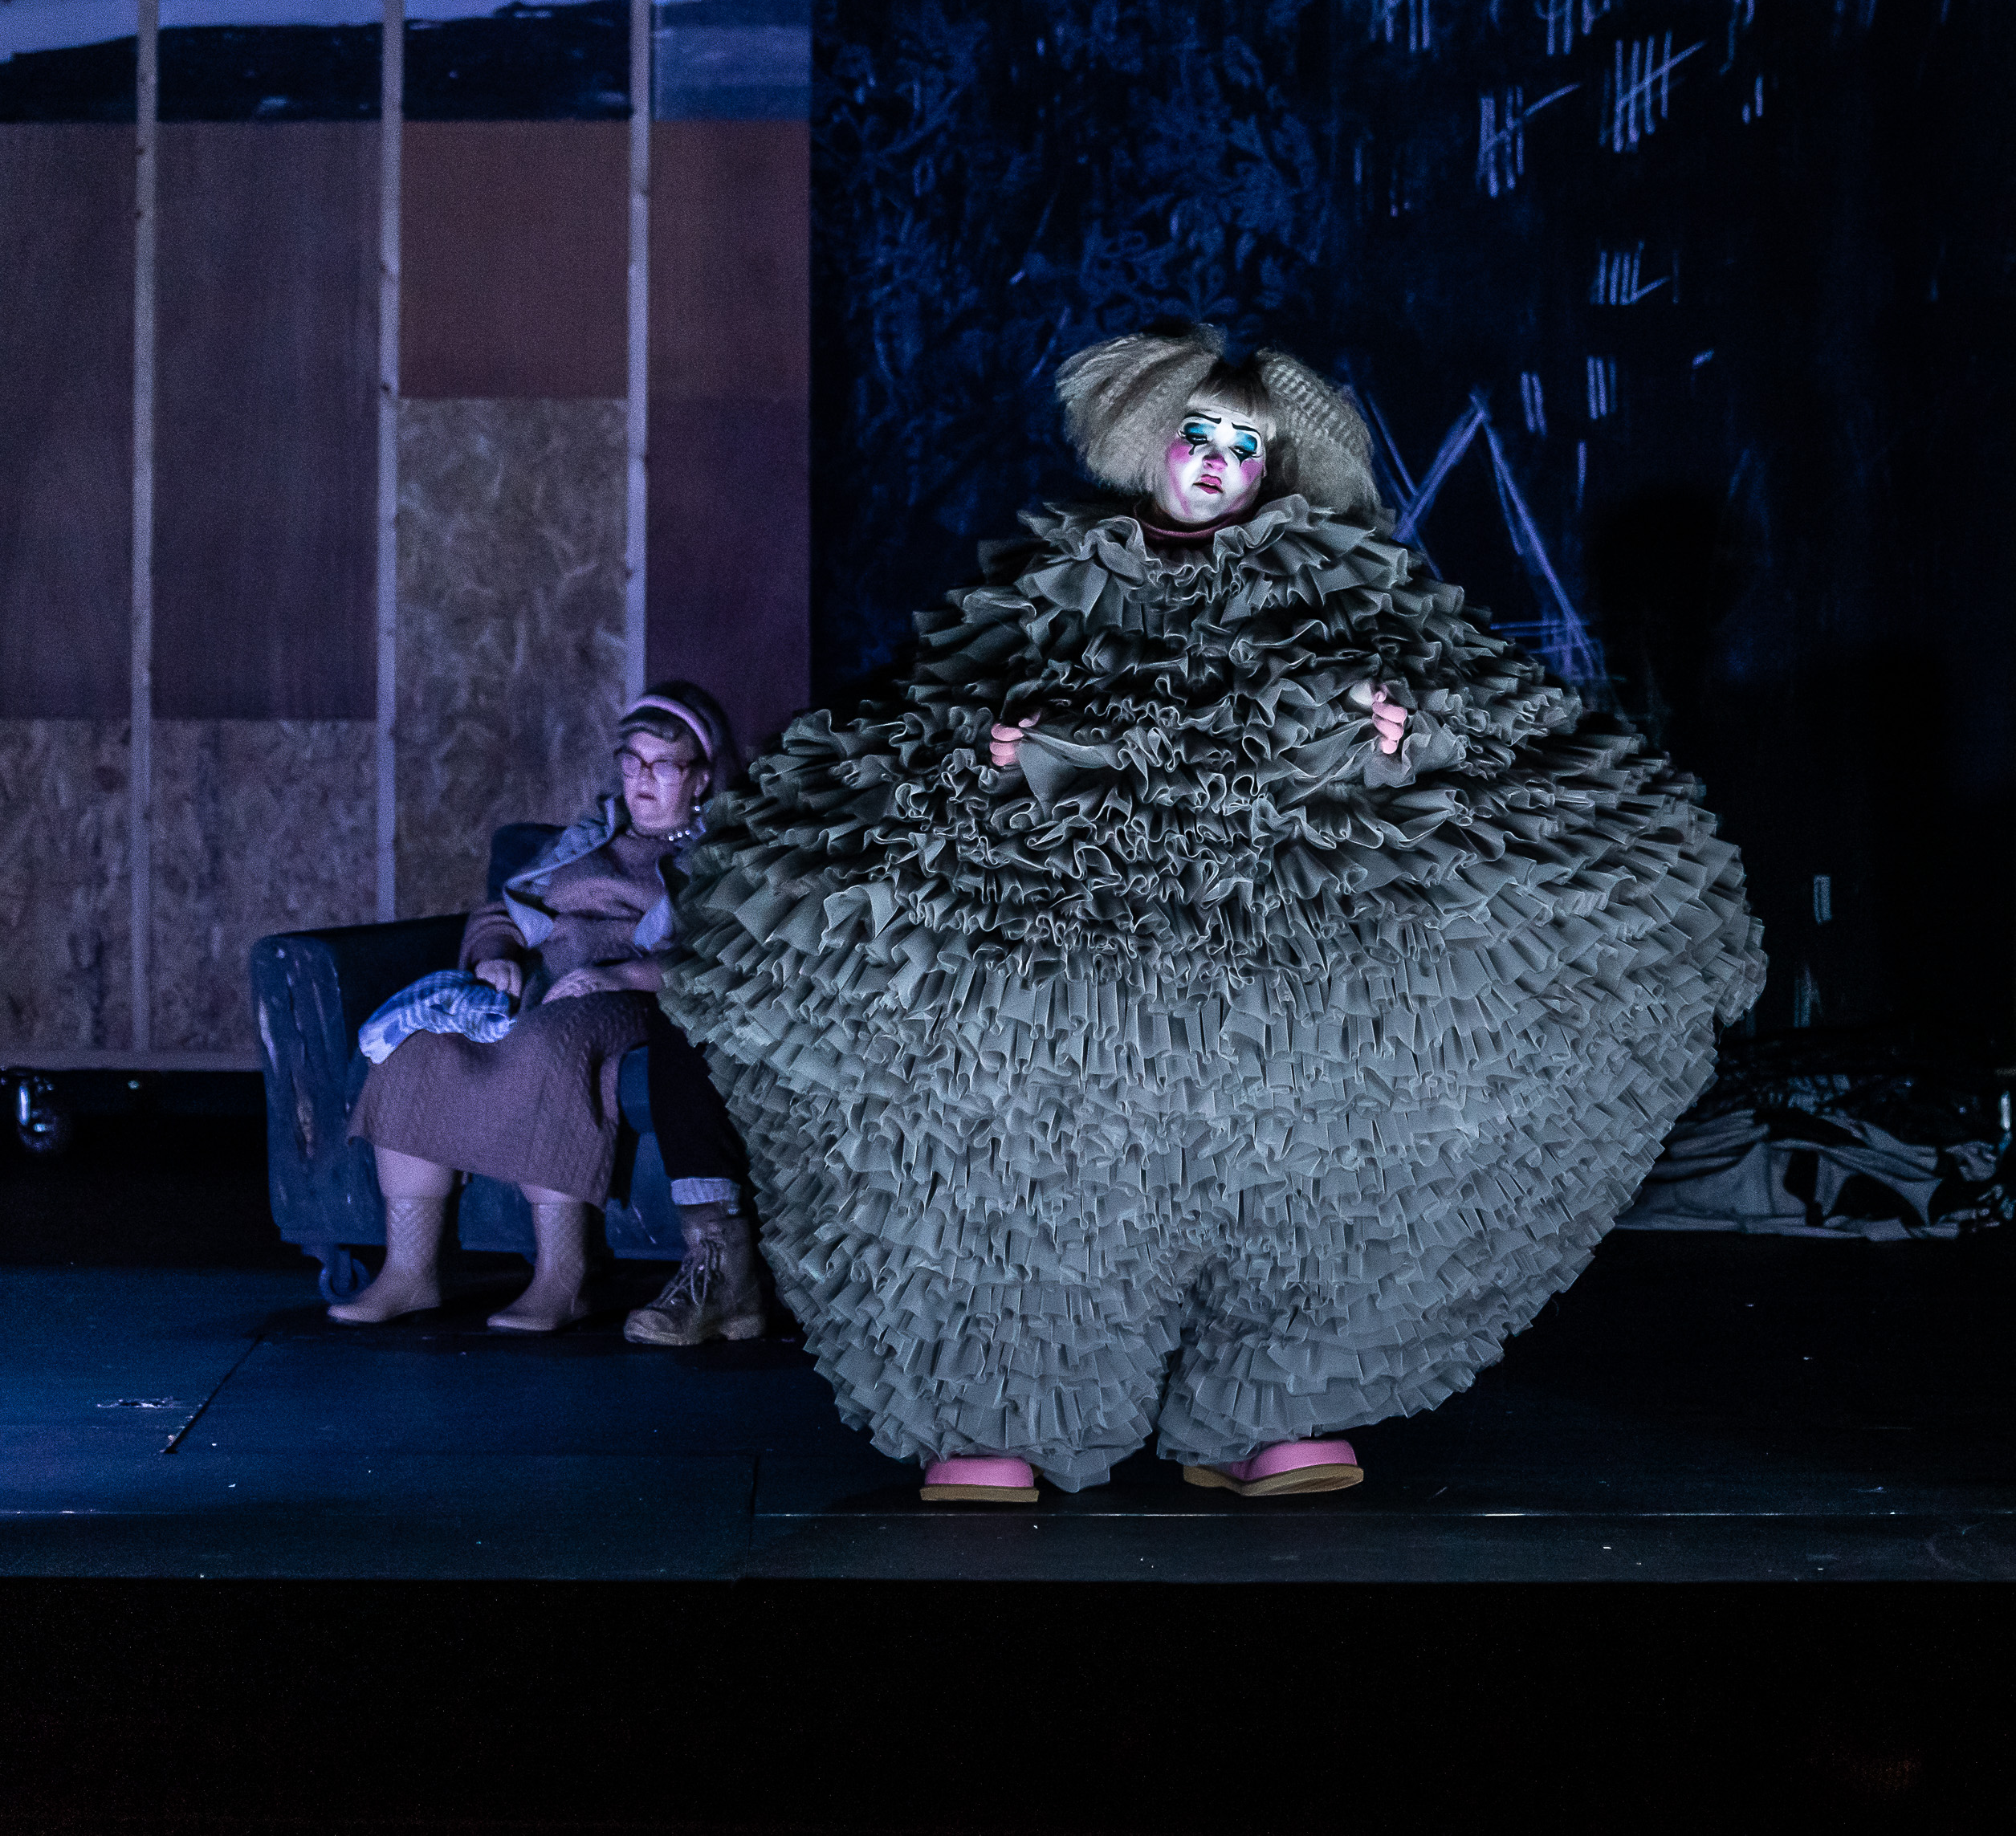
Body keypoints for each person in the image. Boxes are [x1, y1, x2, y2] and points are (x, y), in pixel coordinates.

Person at [663, 325, 1765, 1501]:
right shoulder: (1056, 580)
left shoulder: (1332, 579)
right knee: (1025, 1146)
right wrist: (990, 754)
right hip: (1067, 914)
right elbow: (936, 705)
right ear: (1149, 439)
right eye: (1198, 435)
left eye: (1245, 448)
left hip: (1281, 921)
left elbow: (1453, 704)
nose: (1216, 463)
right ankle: (997, 1408)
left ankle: (1270, 1404)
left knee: (1311, 1145)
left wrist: (1395, 740)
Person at [332, 682, 765, 1341]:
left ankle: (564, 1276)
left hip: (624, 996)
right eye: (631, 761)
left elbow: (720, 956)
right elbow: (502, 913)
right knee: (417, 1042)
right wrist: (496, 955)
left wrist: (616, 973)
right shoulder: (585, 840)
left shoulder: (719, 852)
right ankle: (409, 1270)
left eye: (663, 765)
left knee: (550, 1045)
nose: (641, 779)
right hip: (537, 987)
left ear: (701, 776)